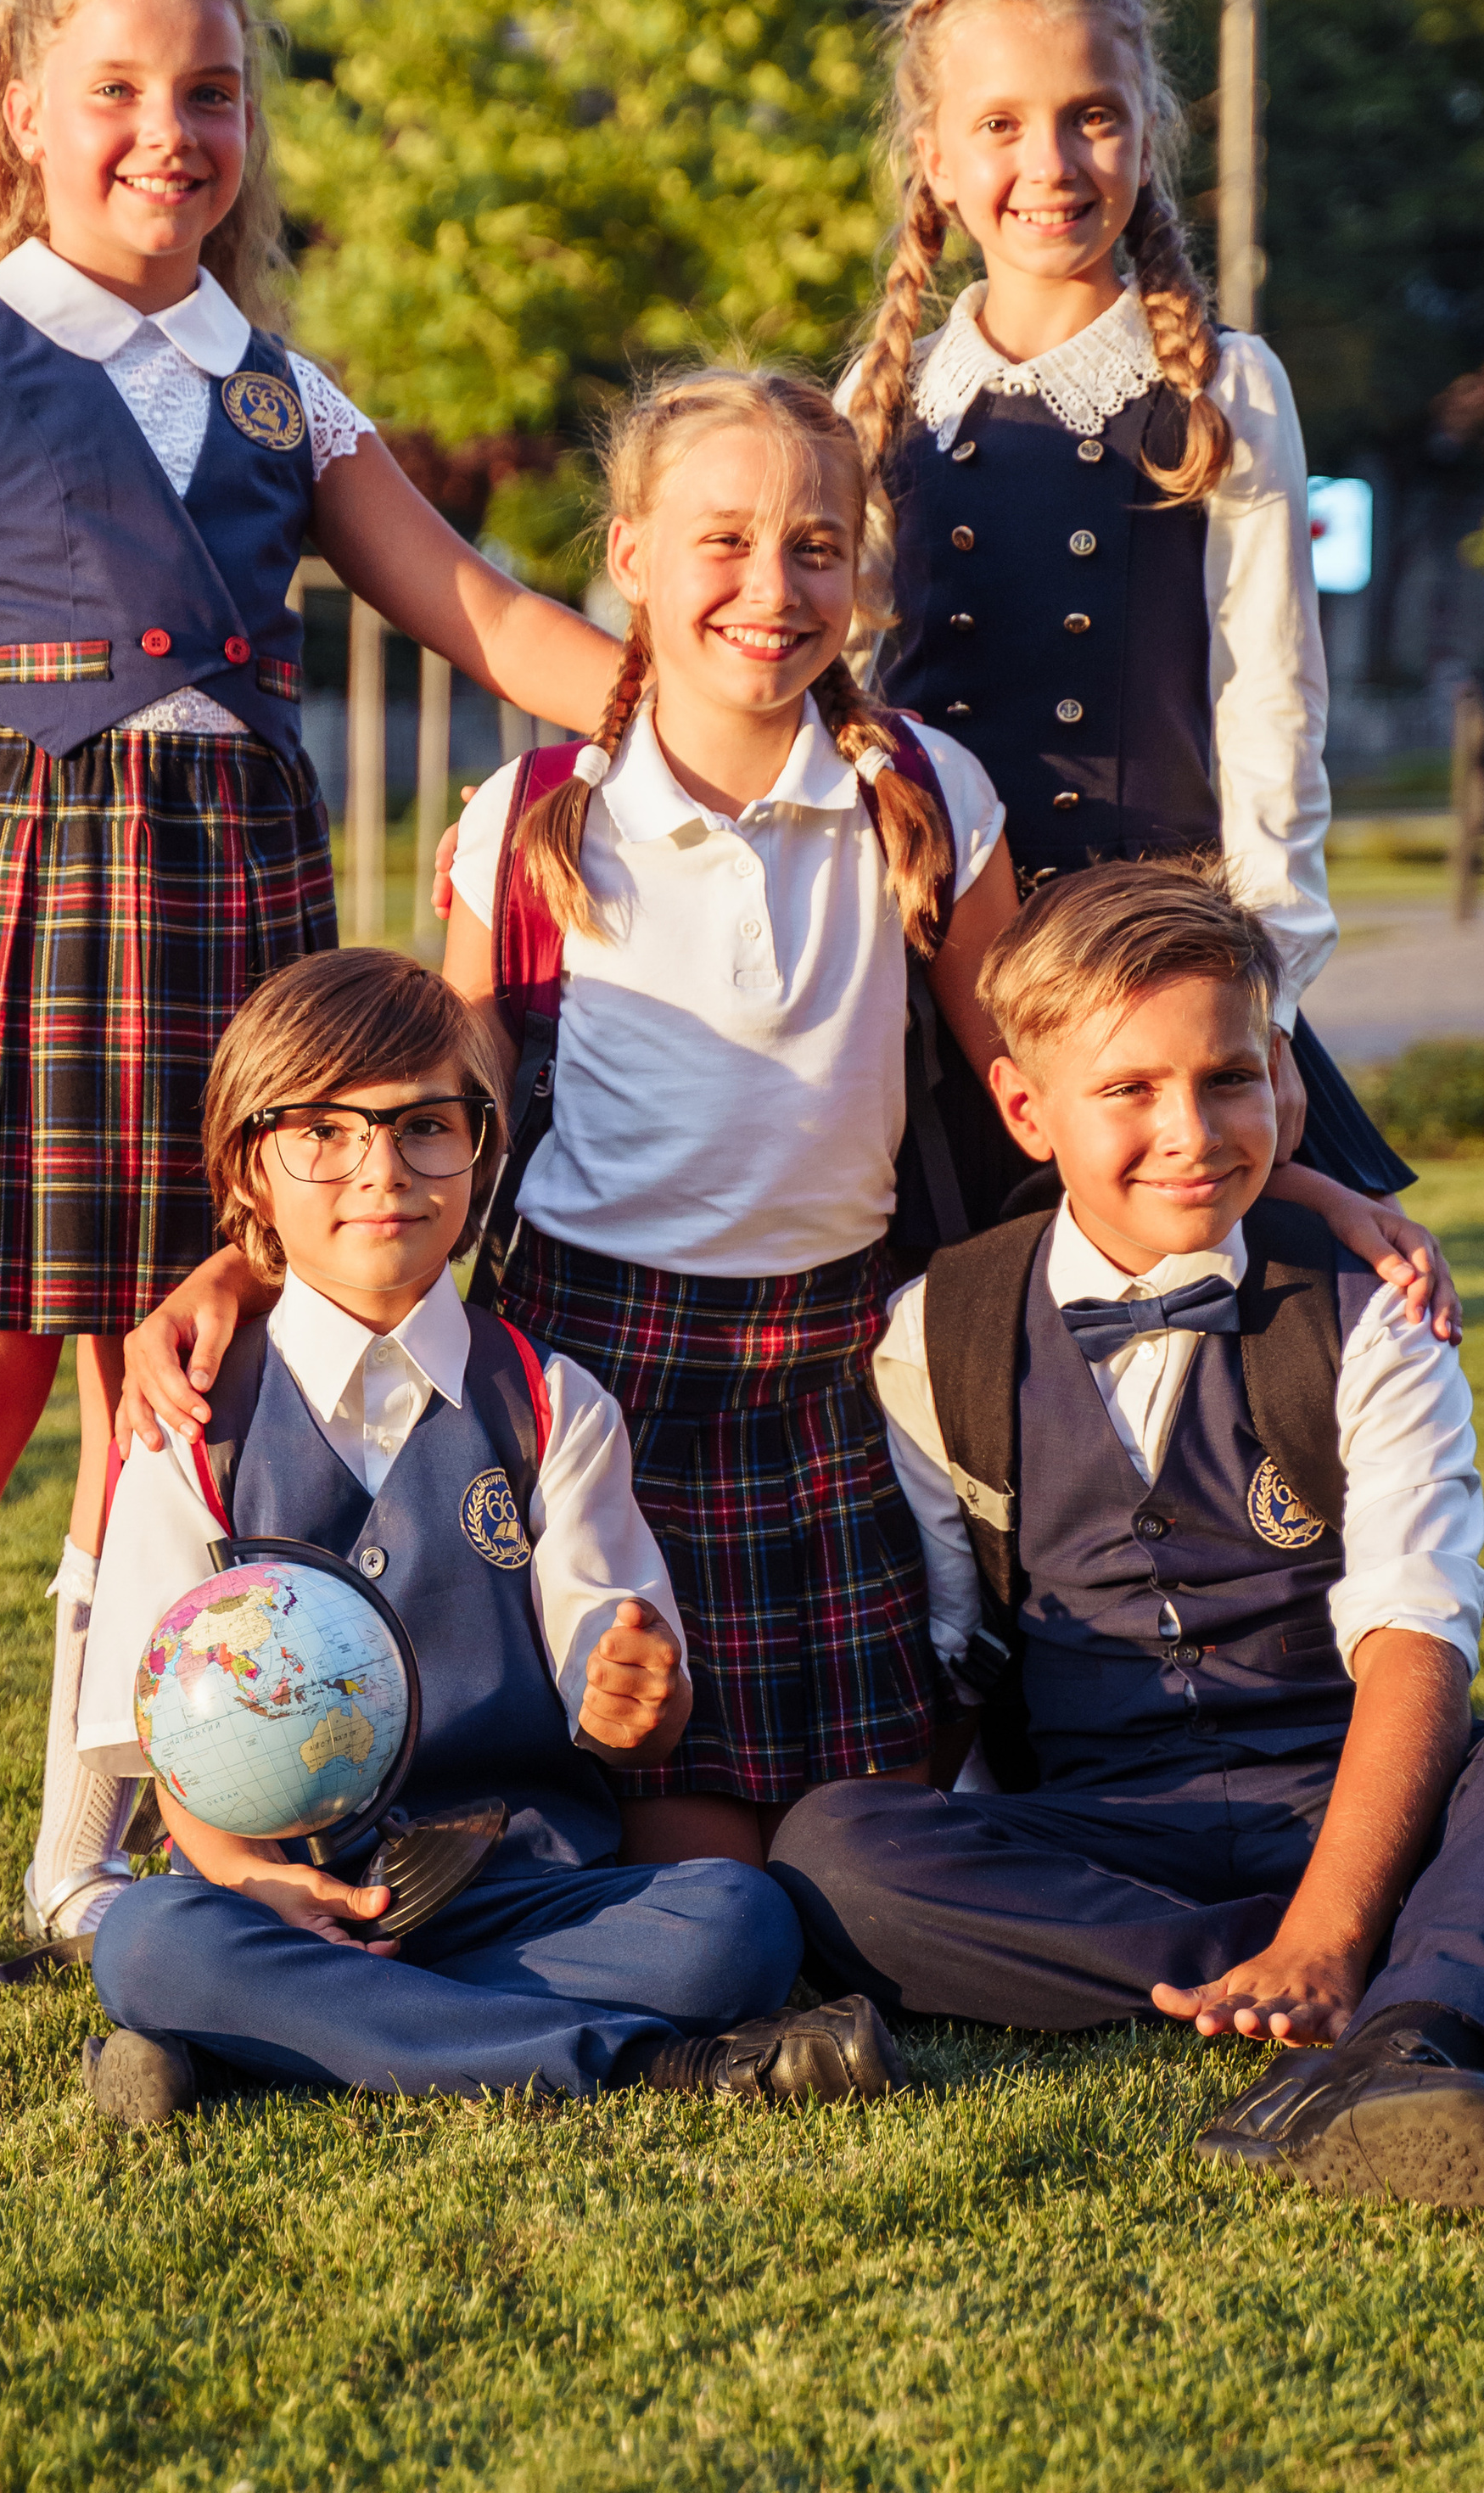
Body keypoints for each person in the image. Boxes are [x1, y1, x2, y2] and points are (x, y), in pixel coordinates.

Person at [0, 0, 622, 2037]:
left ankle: (83, 1854)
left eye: (208, 96)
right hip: (14, 927)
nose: (166, 135)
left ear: (248, 126)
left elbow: (487, 614)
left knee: (182, 1418)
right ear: (21, 110)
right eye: (117, 93)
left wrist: (695, 679)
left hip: (243, 946)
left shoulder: (280, 393)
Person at [126, 366, 1022, 1866]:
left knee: (859, 1838)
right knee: (673, 1831)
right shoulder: (534, 818)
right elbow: (419, 1117)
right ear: (629, 558)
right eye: (722, 542)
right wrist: (253, 1261)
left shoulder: (925, 793)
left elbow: (1034, 1078)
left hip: (829, 1364)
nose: (772, 586)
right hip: (601, 1365)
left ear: (862, 571)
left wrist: (1314, 1189)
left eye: (817, 546)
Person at [768, 861, 1484, 2211]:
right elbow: (956, 1644)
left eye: (1227, 1079)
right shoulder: (941, 1326)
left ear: (1284, 1080)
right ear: (1027, 1111)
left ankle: (1412, 1992)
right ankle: (1437, 1976)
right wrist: (911, 1854)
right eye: (1131, 1092)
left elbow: (1414, 1631)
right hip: (1102, 1832)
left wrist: (1336, 1908)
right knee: (835, 1850)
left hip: (1362, 1800)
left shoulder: (1369, 1304)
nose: (1192, 1130)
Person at [79, 945, 903, 2119]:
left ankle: (261, 2040)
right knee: (152, 1938)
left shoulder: (552, 1403)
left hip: (516, 1893)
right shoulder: (190, 1421)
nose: (382, 1169)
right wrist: (255, 1880)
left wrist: (636, 1694)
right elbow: (167, 1745)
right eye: (322, 1132)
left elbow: (623, 1694)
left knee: (736, 1920)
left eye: (427, 1126)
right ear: (249, 1169)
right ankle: (642, 2059)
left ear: (482, 1148)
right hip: (273, 1897)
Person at [839, 0, 1428, 1247]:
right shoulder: (873, 416)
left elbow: (1275, 709)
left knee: (1229, 1360)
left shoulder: (1226, 392)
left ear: (1146, 135)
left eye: (1090, 118)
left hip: (1157, 983)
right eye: (999, 124)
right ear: (933, 158)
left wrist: (1258, 1002)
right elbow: (806, 700)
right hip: (942, 985)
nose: (1048, 165)